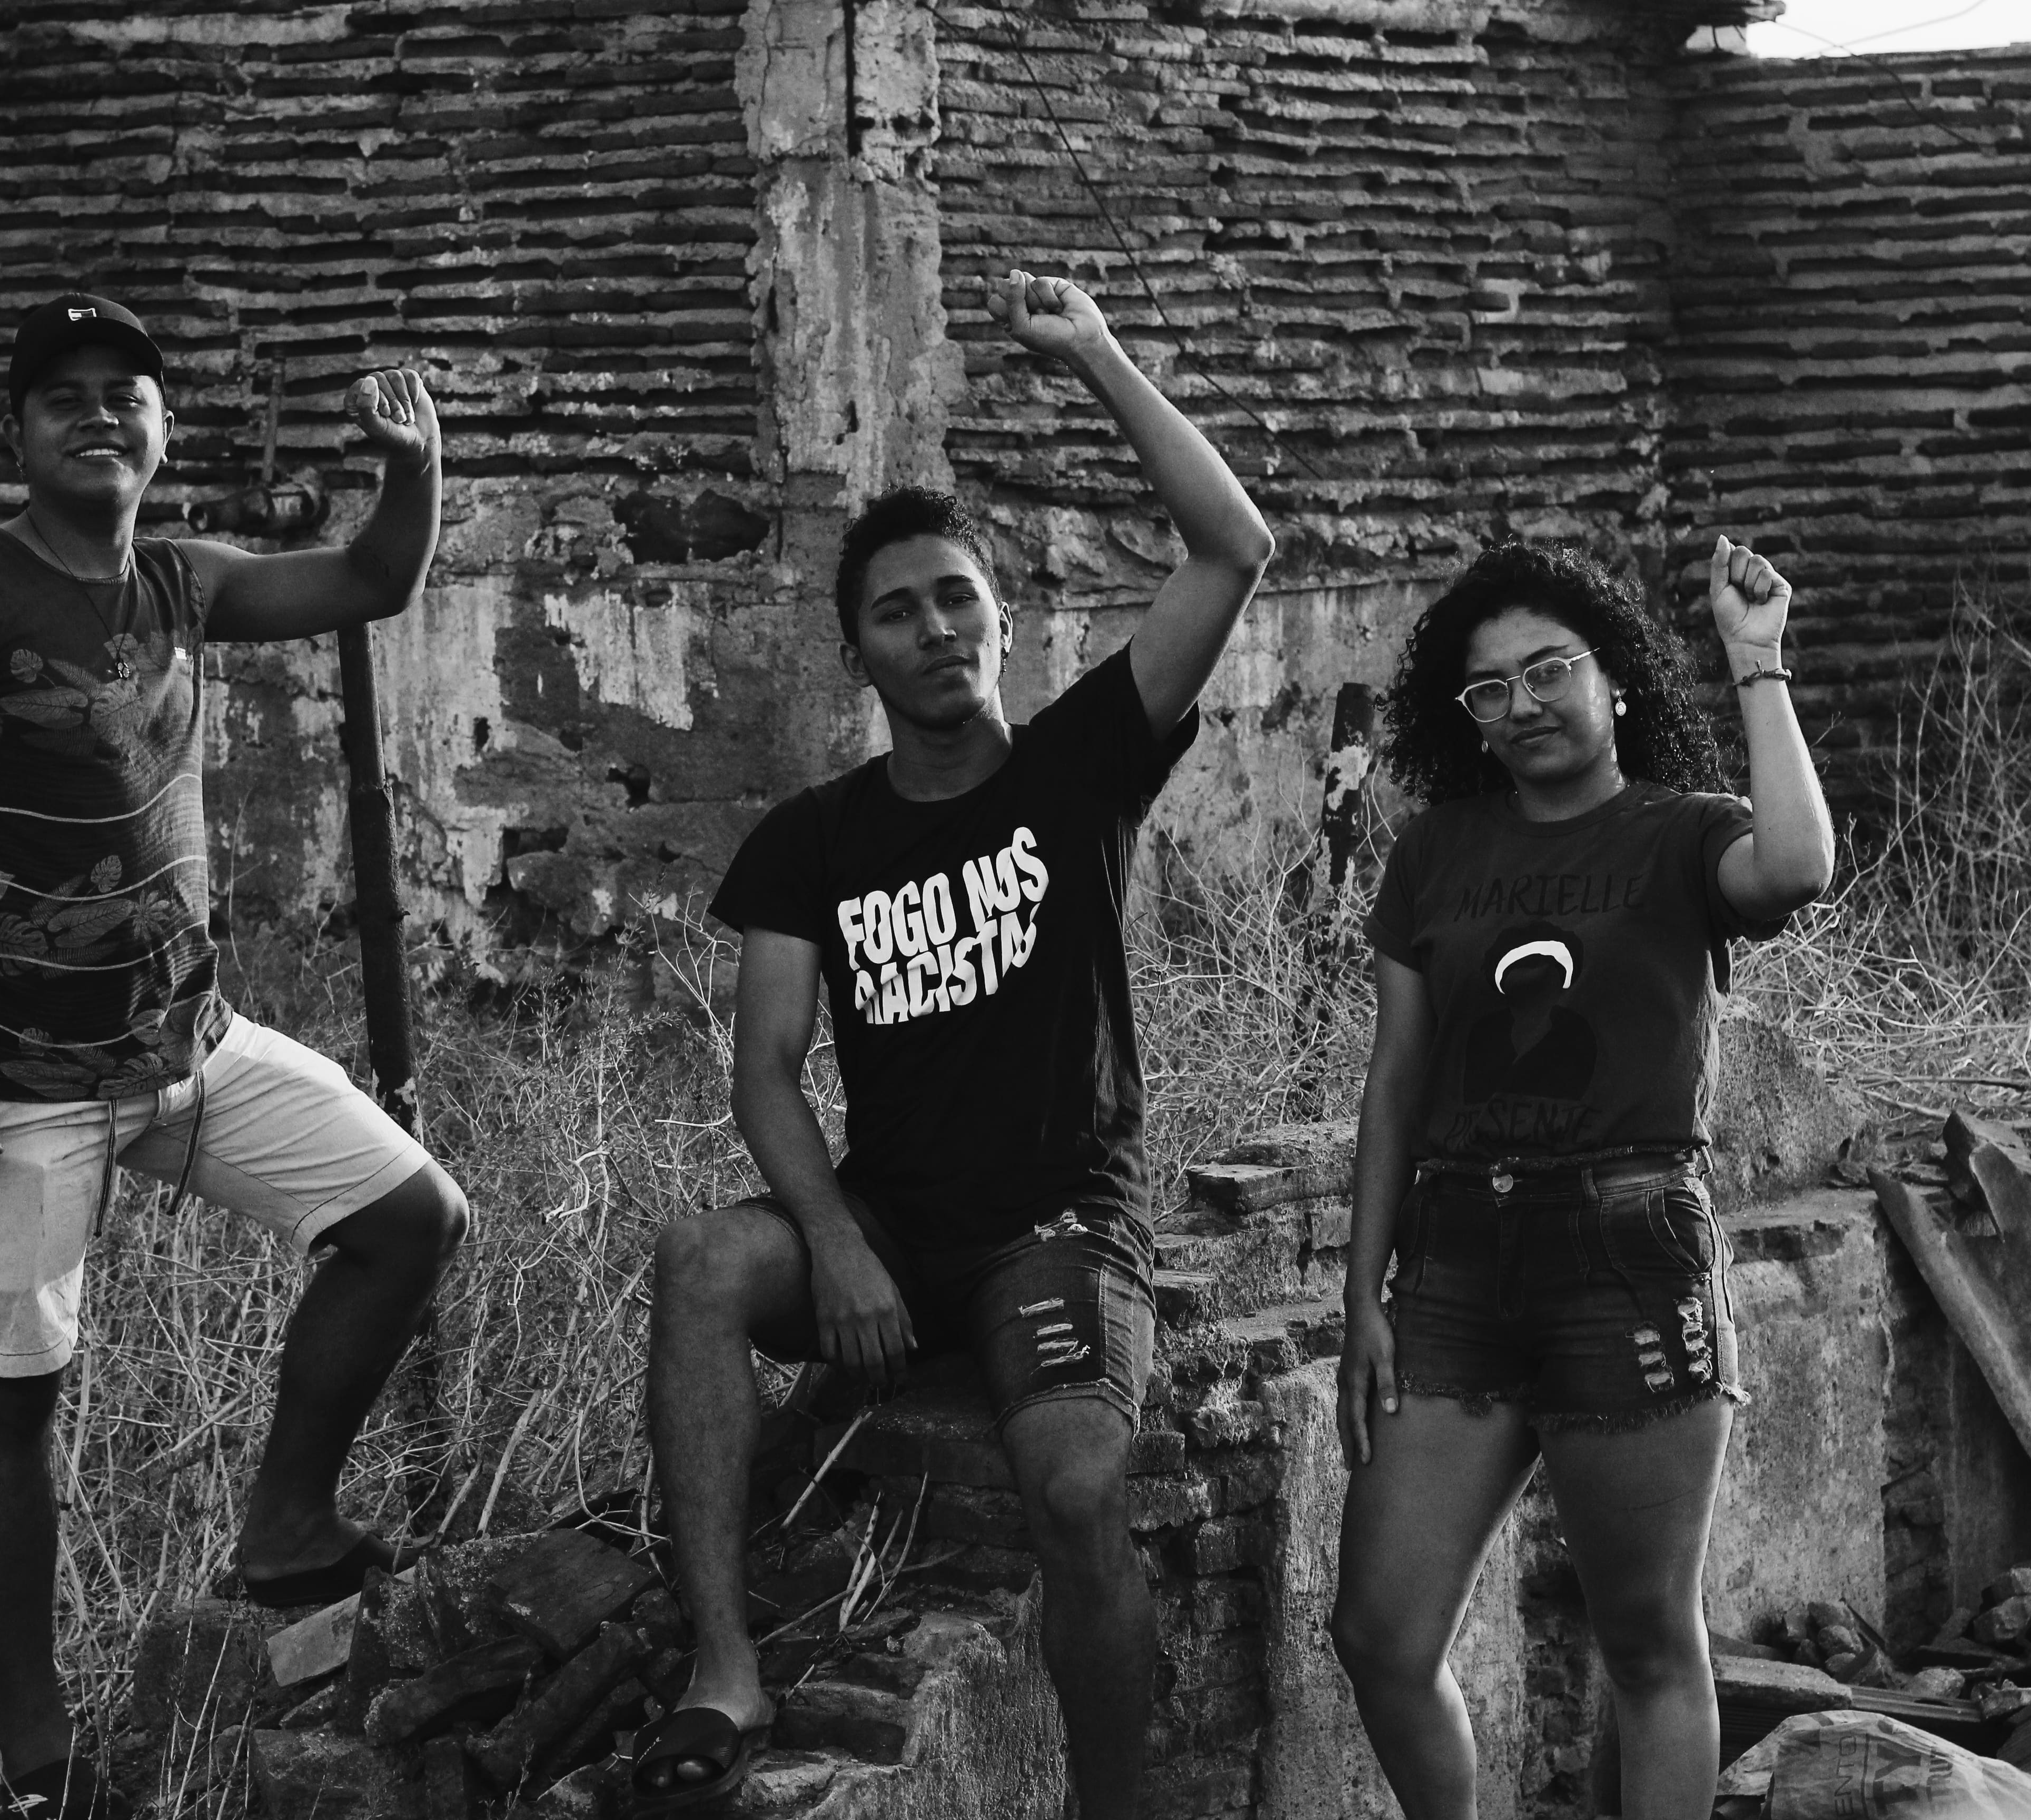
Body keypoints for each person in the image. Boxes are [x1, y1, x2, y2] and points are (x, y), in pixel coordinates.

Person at [638, 271, 1275, 1818]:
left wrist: (1097, 355)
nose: (933, 629)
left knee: (1075, 1480)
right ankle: (723, 1666)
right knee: (700, 1259)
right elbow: (764, 1069)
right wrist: (832, 1238)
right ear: (856, 656)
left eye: (955, 599)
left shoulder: (1079, 767)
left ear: (1000, 621)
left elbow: (1233, 548)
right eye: (895, 611)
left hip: (1057, 1225)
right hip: (891, 1226)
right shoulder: (813, 839)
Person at [0, 293, 470, 1820]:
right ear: (16, 433)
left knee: (410, 1218)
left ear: (160, 429)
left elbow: (372, 581)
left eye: (123, 392)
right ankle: (37, 1744)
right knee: (14, 1397)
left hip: (189, 1050)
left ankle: (285, 1527)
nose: (96, 414)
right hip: (12, 1087)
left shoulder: (181, 582)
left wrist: (413, 467)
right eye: (60, 394)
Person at [1329, 537, 1834, 1818]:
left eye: (1548, 669)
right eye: (1487, 689)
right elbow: (1395, 1082)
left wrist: (1757, 662)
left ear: (1613, 677)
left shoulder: (1681, 833)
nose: (1521, 704)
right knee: (1378, 1634)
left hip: (1626, 1254)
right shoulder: (1433, 852)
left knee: (1647, 1647)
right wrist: (1361, 1293)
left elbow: (1794, 869)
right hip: (1449, 1266)